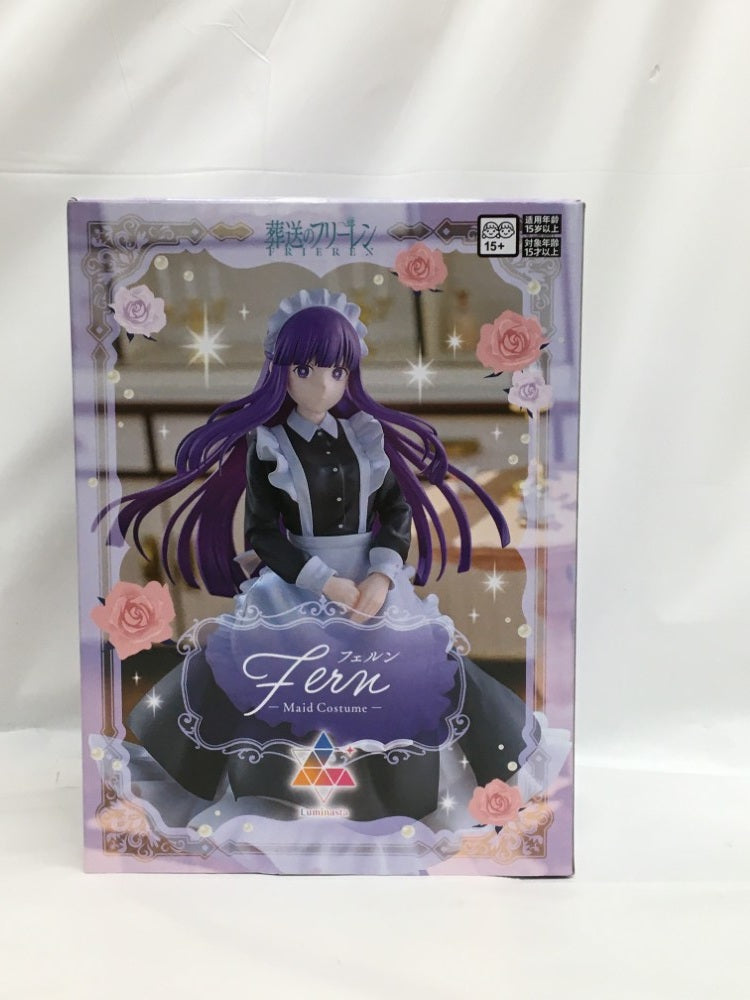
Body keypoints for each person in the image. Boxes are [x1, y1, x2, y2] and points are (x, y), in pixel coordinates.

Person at [112, 289, 540, 827]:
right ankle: (293, 798)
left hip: (371, 582)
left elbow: (397, 511)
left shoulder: (366, 437)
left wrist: (381, 577)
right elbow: (263, 534)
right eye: (306, 371)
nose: (322, 386)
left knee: (420, 667)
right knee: (271, 678)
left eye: (336, 372)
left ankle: (416, 791)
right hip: (298, 585)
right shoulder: (269, 445)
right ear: (282, 373)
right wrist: (326, 583)